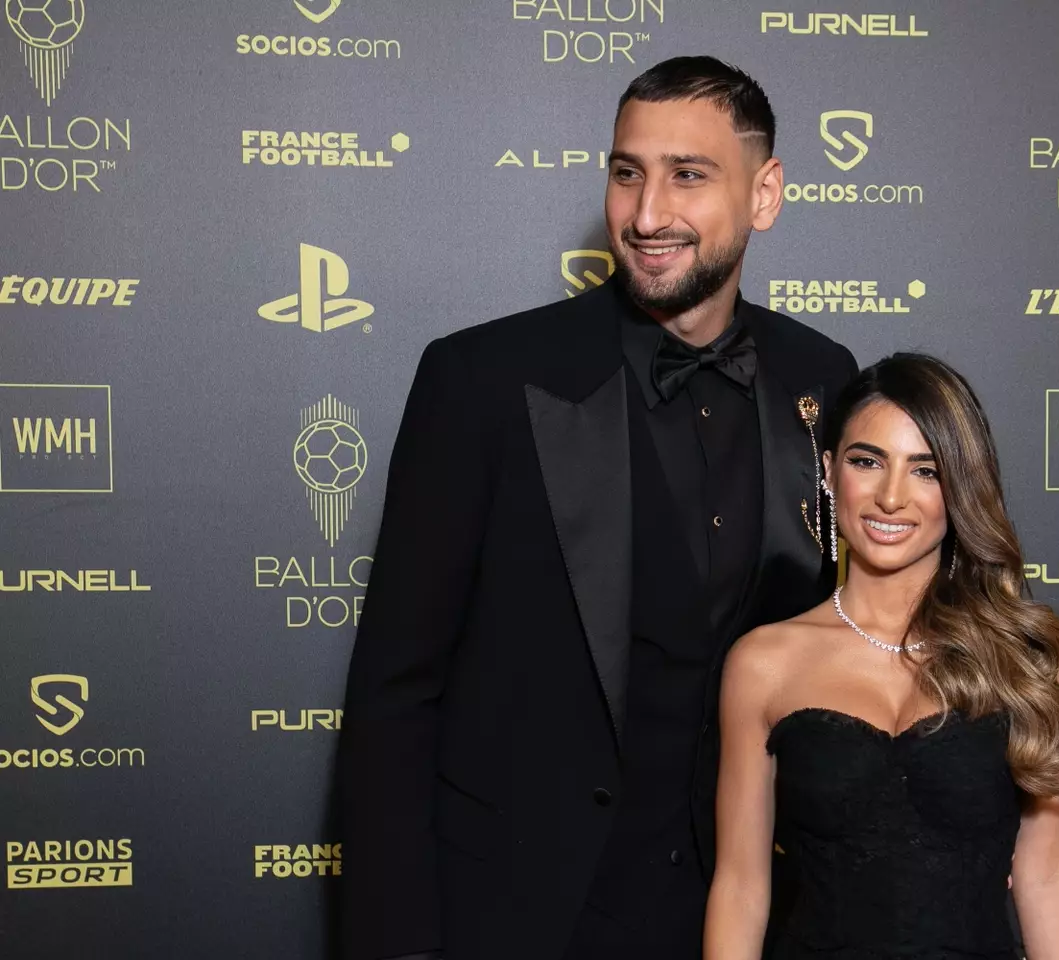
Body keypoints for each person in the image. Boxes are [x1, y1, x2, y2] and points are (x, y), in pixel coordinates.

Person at [337, 57, 857, 960]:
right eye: (627, 173)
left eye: (687, 175)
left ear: (765, 193)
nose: (647, 215)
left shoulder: (825, 377)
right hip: (526, 911)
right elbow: (394, 692)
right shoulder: (484, 380)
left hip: (751, 914)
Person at [705, 353, 1059, 960]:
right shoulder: (763, 663)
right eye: (867, 462)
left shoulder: (1031, 652)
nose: (890, 497)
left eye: (926, 471)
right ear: (830, 473)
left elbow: (1044, 876)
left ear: (961, 486)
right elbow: (741, 888)